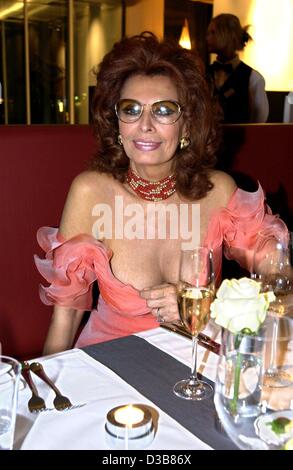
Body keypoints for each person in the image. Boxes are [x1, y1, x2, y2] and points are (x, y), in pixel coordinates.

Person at [35, 32, 287, 355]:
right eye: (131, 109)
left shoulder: (218, 192)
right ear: (117, 123)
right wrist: (40, 392)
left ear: (187, 124)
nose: (145, 125)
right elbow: (66, 316)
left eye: (165, 110)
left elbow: (281, 278)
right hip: (108, 368)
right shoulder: (91, 192)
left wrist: (214, 307)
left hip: (195, 369)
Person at [206, 13, 269, 123]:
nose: (207, 38)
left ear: (228, 35)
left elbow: (259, 121)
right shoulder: (203, 73)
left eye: (213, 33)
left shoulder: (253, 78)